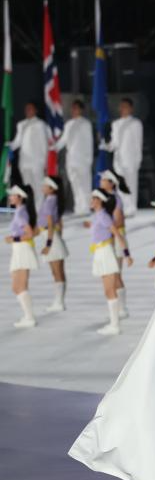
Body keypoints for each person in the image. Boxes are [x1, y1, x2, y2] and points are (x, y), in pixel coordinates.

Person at [83, 189, 125, 335]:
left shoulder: (103, 216)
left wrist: (126, 253)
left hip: (105, 252)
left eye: (94, 198)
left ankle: (115, 325)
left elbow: (116, 233)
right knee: (108, 290)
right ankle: (114, 323)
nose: (91, 201)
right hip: (100, 252)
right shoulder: (98, 216)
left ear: (100, 200)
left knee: (110, 289)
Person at [98, 169, 133, 319]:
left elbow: (117, 221)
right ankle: (119, 307)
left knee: (116, 273)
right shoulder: (107, 197)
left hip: (116, 238)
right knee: (113, 273)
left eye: (104, 179)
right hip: (111, 237)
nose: (101, 182)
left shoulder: (115, 199)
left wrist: (105, 227)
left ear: (111, 183)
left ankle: (122, 308)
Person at [101, 98, 143, 215]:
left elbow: (138, 143)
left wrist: (138, 160)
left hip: (131, 158)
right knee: (120, 184)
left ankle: (131, 208)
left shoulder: (136, 123)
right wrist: (107, 146)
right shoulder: (116, 124)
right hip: (118, 159)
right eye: (121, 106)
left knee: (130, 183)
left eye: (125, 106)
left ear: (131, 108)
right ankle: (122, 207)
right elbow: (114, 143)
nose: (122, 109)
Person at [51, 99, 94, 215]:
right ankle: (79, 207)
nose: (73, 110)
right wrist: (54, 147)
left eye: (76, 108)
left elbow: (89, 142)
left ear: (81, 110)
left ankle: (86, 207)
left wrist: (89, 160)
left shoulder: (86, 124)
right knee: (75, 184)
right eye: (72, 108)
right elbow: (63, 140)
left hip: (83, 159)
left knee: (84, 184)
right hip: (71, 159)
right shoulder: (68, 124)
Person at [5, 185, 38, 327]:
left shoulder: (21, 213)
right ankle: (28, 316)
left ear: (20, 197)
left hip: (22, 250)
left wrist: (14, 239)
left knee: (19, 286)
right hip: (18, 250)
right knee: (17, 286)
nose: (10, 197)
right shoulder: (20, 211)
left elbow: (30, 234)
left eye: (13, 195)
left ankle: (29, 317)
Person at [8, 102, 51, 211]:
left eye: (30, 108)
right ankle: (30, 210)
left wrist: (45, 162)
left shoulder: (41, 124)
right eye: (26, 108)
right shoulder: (21, 124)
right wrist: (8, 146)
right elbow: (17, 142)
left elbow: (44, 145)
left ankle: (39, 210)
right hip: (24, 162)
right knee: (27, 187)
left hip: (37, 161)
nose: (28, 110)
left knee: (38, 186)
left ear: (35, 110)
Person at [38, 177, 69, 313]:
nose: (43, 187)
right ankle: (58, 301)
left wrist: (49, 244)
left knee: (57, 272)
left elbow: (50, 223)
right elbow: (59, 223)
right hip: (52, 236)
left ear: (52, 188)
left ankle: (59, 302)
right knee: (57, 272)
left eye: (46, 185)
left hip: (50, 237)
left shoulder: (50, 201)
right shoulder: (52, 200)